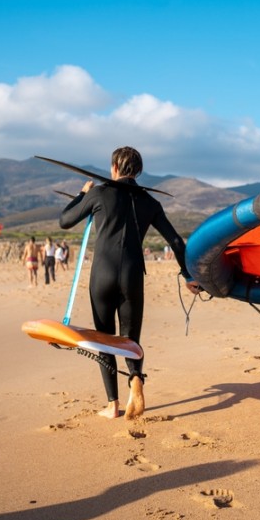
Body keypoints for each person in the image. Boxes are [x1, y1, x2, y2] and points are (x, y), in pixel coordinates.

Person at [59, 146, 200, 420]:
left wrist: (82, 194)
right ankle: (136, 379)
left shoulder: (99, 193)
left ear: (114, 167)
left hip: (102, 275)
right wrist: (188, 275)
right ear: (139, 171)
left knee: (104, 339)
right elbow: (175, 241)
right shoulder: (150, 202)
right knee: (130, 338)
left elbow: (65, 221)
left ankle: (112, 404)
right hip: (133, 275)